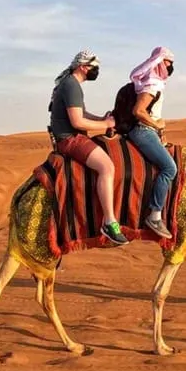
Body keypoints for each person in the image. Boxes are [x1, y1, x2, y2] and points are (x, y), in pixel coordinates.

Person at [49, 49, 128, 246]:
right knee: (107, 167)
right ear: (84, 67)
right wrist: (107, 125)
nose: (96, 70)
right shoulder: (71, 86)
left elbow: (82, 113)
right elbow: (77, 122)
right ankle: (109, 222)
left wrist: (102, 119)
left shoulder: (70, 84)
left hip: (71, 136)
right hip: (70, 139)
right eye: (94, 67)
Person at [126, 46, 178, 239]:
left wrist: (159, 129)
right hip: (143, 132)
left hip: (150, 132)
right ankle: (154, 215)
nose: (170, 66)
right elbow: (138, 112)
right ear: (159, 62)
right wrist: (156, 124)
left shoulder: (153, 82)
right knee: (169, 169)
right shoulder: (152, 84)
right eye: (168, 62)